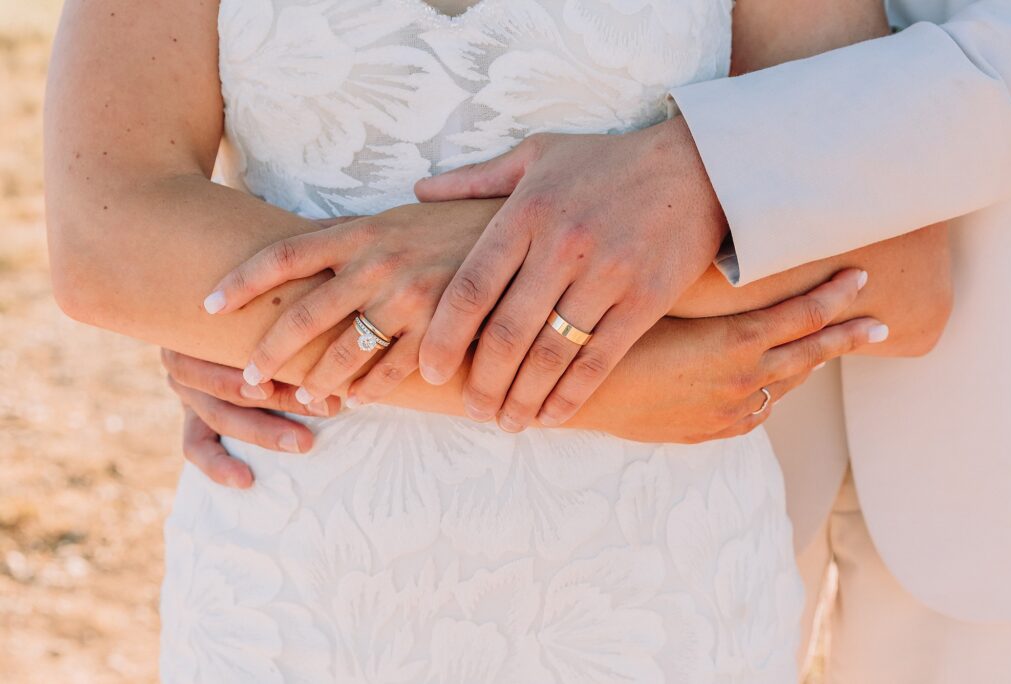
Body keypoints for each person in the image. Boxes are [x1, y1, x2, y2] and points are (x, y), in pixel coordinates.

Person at [45, 0, 951, 681]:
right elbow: (102, 235)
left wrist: (469, 259)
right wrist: (609, 384)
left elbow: (900, 274)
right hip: (292, 601)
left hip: (650, 606)